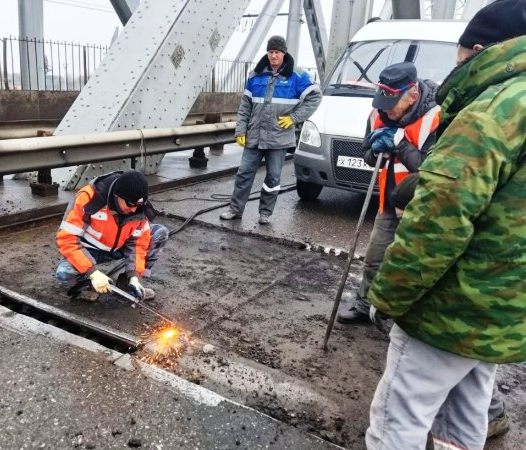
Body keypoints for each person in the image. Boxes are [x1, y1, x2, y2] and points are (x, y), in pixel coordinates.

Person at [365, 0, 526, 448]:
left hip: (454, 303)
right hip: (504, 300)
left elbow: (441, 218)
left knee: (397, 420)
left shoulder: (491, 110)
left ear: (476, 49)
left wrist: (391, 296)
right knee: (462, 418)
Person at [337, 61, 440, 324]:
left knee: (409, 264)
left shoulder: (437, 117)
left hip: (419, 206)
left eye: (391, 104)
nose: (386, 110)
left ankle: (403, 318)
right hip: (387, 199)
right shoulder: (378, 113)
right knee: (374, 257)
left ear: (413, 95)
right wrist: (375, 148)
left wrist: (400, 142)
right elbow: (369, 156)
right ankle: (365, 305)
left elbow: (429, 168)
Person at [220, 35, 321, 225]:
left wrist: (294, 118)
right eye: (271, 52)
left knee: (273, 177)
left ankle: (265, 213)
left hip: (279, 138)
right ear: (267, 53)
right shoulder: (255, 75)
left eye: (277, 52)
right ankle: (235, 209)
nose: (273, 56)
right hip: (255, 135)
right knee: (244, 173)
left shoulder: (297, 77)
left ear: (284, 53)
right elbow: (245, 107)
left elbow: (315, 97)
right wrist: (240, 131)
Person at [54, 170, 169, 302]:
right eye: (130, 204)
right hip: (89, 250)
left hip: (118, 248)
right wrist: (93, 273)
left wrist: (134, 276)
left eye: (138, 206)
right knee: (64, 274)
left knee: (159, 233)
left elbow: (138, 244)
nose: (133, 209)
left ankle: (128, 285)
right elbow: (67, 239)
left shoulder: (138, 208)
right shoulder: (89, 198)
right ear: (117, 196)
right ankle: (89, 285)